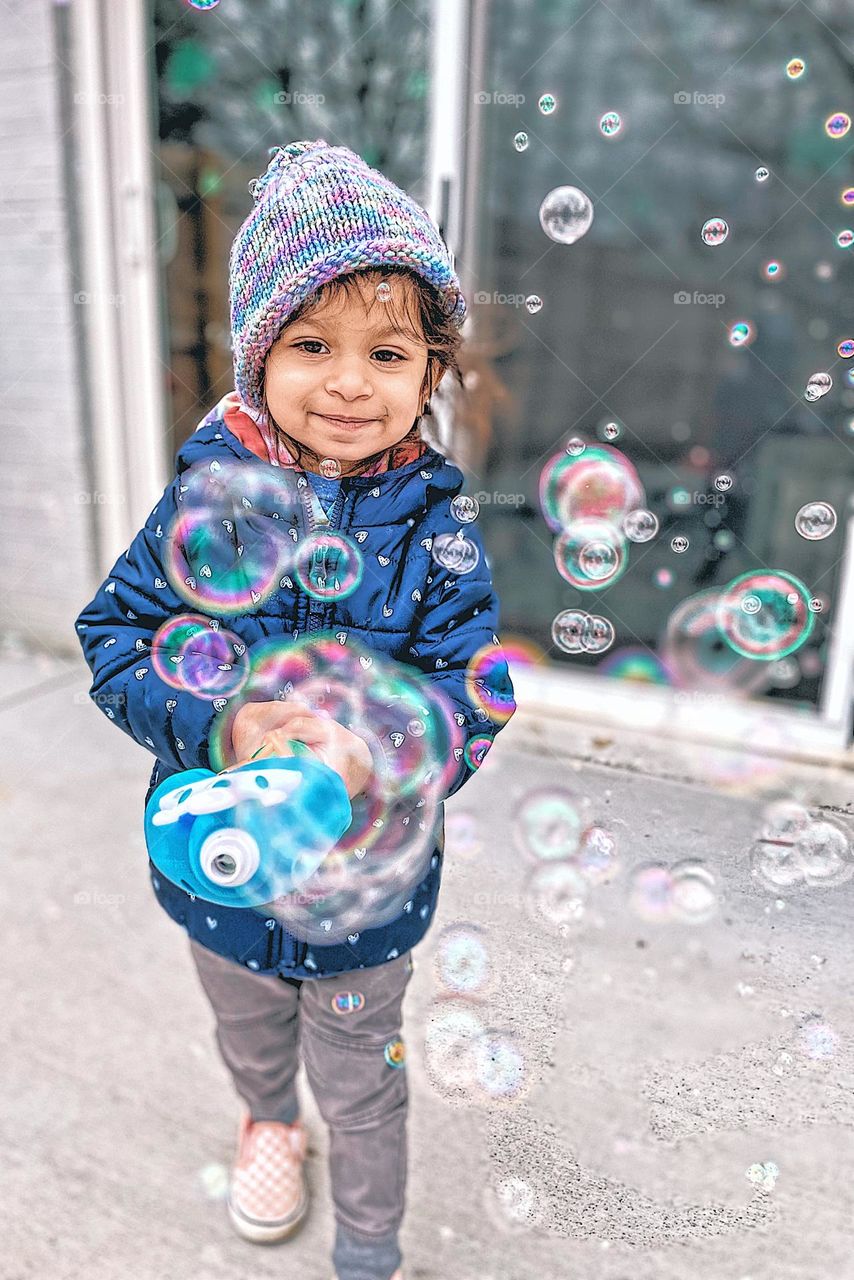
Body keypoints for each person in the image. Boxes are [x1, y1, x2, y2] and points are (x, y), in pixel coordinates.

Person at [74, 138, 516, 1280]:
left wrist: (378, 751)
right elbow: (114, 636)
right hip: (214, 863)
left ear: (430, 373)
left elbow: (475, 684)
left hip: (366, 888)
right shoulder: (208, 499)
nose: (348, 381)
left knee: (364, 1081)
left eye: (387, 350)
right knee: (249, 1031)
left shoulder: (436, 529)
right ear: (256, 355)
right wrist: (224, 721)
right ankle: (268, 1122)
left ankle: (369, 1244)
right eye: (311, 344)